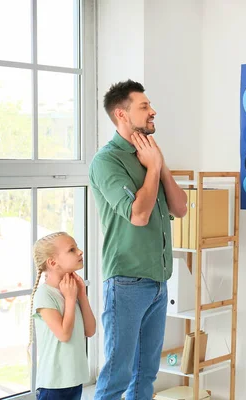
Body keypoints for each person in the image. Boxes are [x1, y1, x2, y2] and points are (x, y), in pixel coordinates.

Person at [89, 79, 188, 400]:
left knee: (146, 375)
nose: (153, 111)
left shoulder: (148, 154)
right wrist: (153, 169)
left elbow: (181, 207)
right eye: (144, 107)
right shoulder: (106, 162)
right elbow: (139, 215)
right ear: (121, 114)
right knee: (117, 376)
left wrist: (159, 165)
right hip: (127, 282)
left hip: (158, 281)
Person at [30, 232, 96, 400]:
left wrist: (82, 295)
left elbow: (90, 330)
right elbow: (64, 334)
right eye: (72, 250)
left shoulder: (71, 291)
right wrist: (70, 298)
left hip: (74, 378)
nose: (80, 252)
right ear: (52, 262)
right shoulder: (44, 295)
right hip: (54, 383)